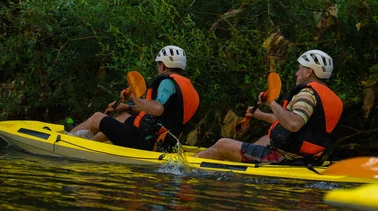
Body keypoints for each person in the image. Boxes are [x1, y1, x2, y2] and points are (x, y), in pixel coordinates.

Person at [196, 49, 343, 164]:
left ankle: (186, 164)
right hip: (308, 156)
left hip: (285, 157)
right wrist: (260, 115)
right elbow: (289, 123)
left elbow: (293, 124)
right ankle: (238, 160)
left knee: (222, 144)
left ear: (309, 71)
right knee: (265, 139)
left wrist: (272, 102)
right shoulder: (328, 96)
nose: (297, 73)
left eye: (299, 69)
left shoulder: (307, 94)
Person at [68, 45, 200, 152]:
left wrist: (133, 97)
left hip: (144, 143)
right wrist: (128, 107)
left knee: (97, 117)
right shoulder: (186, 87)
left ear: (163, 65)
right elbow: (161, 115)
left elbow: (157, 109)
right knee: (123, 116)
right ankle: (89, 146)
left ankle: (67, 141)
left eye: (158, 64)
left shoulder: (167, 83)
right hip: (163, 144)